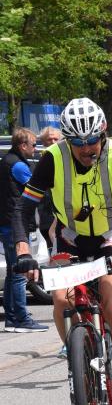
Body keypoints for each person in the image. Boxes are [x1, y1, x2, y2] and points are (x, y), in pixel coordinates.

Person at [12, 97, 112, 405]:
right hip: (70, 238)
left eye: (92, 140)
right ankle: (79, 361)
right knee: (61, 300)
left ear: (102, 134)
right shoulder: (51, 159)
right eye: (78, 143)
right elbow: (23, 209)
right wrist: (23, 250)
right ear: (67, 140)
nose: (87, 148)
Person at [0, 127, 48, 332]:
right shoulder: (18, 166)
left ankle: (12, 318)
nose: (35, 149)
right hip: (14, 225)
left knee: (13, 272)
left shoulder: (6, 161)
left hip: (6, 223)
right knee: (20, 273)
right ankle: (21, 318)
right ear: (22, 145)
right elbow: (37, 189)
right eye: (33, 145)